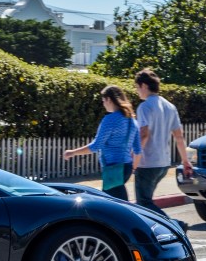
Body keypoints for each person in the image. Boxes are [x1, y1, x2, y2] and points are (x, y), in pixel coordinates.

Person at [63, 85, 141, 201]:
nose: (103, 104)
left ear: (109, 99)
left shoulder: (110, 120)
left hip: (113, 168)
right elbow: (138, 150)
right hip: (127, 168)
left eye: (103, 101)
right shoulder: (132, 121)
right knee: (118, 201)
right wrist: (133, 167)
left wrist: (73, 152)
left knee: (112, 204)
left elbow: (95, 146)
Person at [134, 68, 193, 216]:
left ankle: (174, 225)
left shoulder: (145, 107)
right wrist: (185, 161)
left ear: (144, 86)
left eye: (137, 87)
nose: (137, 91)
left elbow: (144, 135)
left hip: (147, 163)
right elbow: (179, 136)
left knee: (143, 203)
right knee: (147, 202)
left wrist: (134, 159)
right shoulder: (169, 106)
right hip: (164, 164)